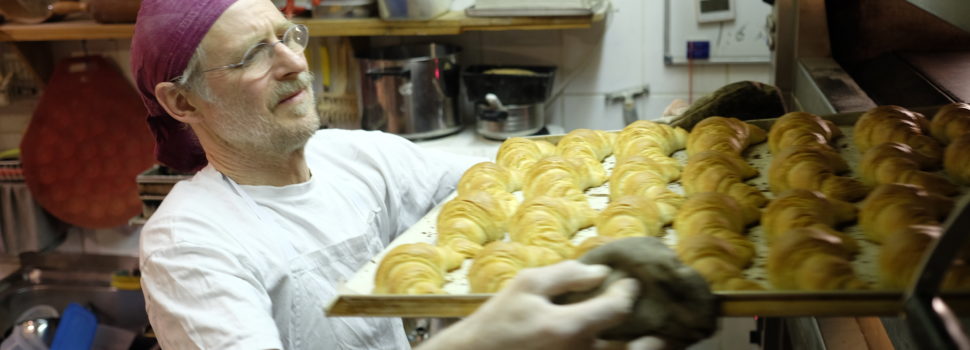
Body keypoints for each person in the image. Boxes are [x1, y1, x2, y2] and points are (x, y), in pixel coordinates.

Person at [130, 0, 640, 348]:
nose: (292, 63)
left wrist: (649, 151)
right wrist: (472, 340)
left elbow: (515, 180)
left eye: (287, 37)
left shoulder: (353, 158)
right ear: (182, 101)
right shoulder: (188, 245)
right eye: (252, 55)